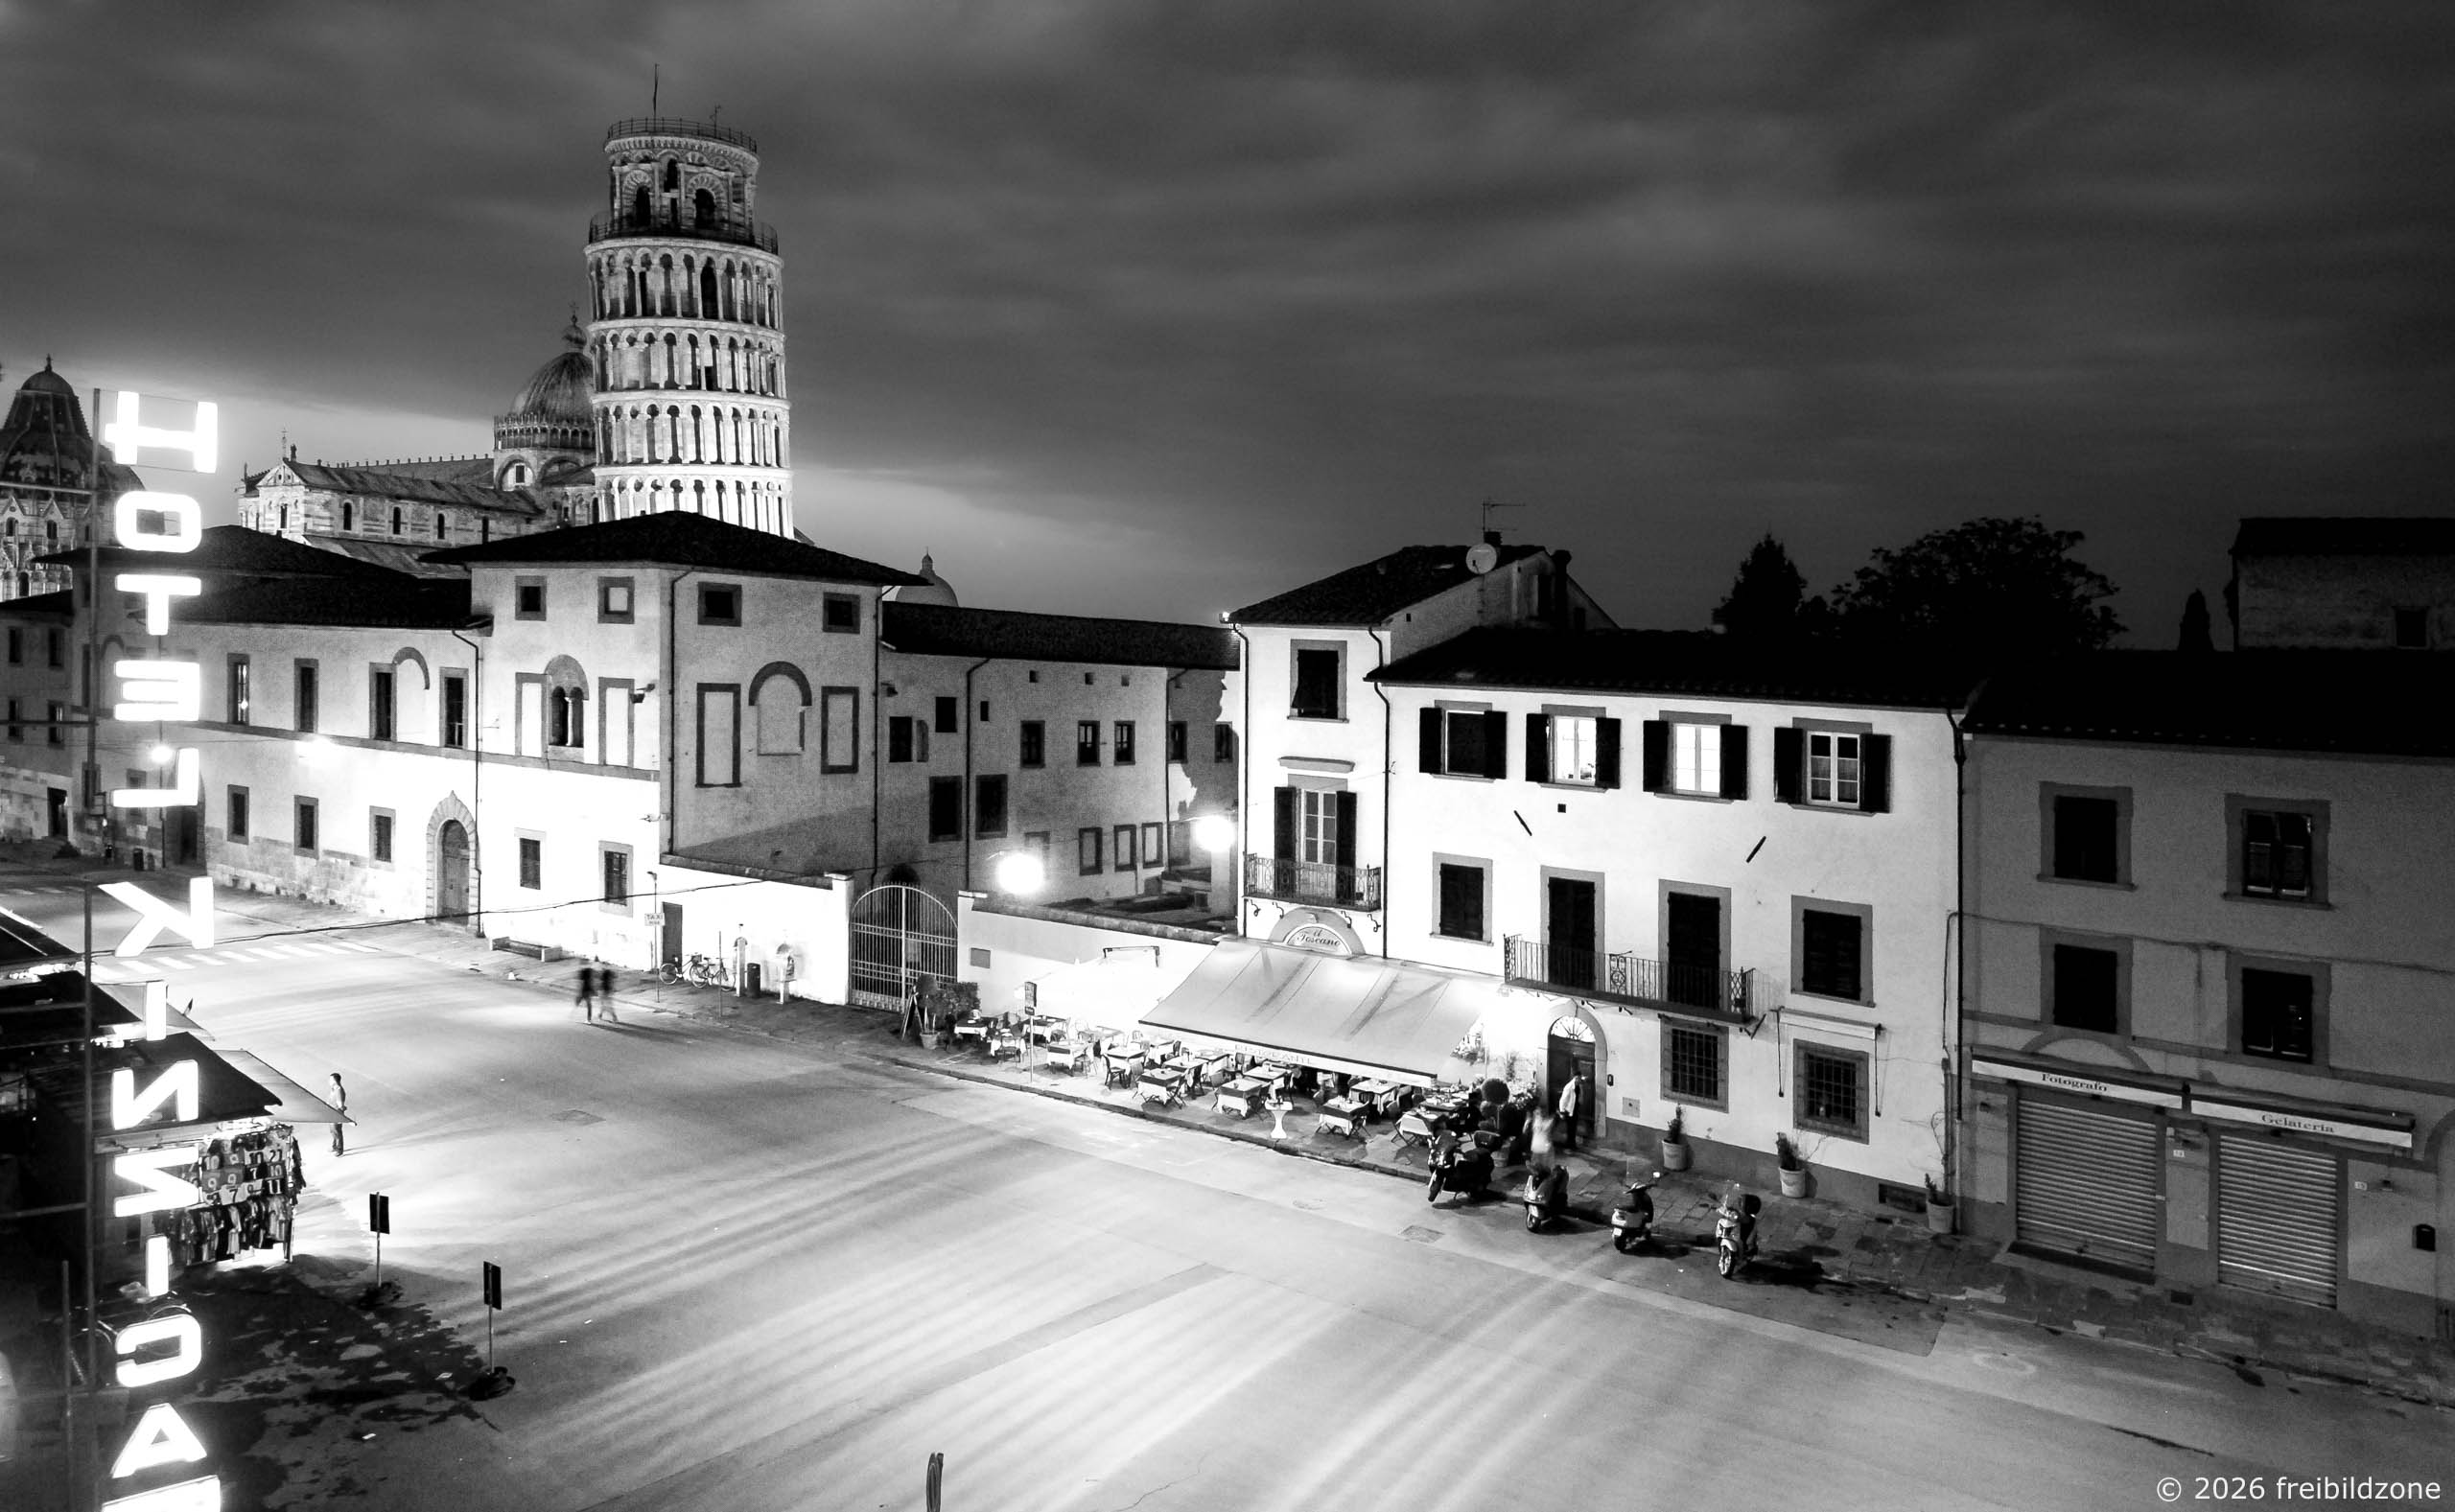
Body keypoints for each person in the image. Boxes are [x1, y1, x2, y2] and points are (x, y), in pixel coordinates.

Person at [1555, 1074, 1581, 1154]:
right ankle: (1568, 1147)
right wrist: (1562, 1111)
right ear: (1575, 1078)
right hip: (1569, 1111)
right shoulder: (1569, 1087)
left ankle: (1573, 1145)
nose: (1580, 1080)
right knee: (1570, 1129)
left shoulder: (1578, 1086)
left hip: (1574, 1110)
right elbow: (1563, 1100)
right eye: (1579, 1079)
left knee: (1573, 1129)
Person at [328, 1073, 347, 1156]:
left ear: (335, 1080)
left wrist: (342, 1109)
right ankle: (334, 1146)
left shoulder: (339, 1091)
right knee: (333, 1131)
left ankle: (339, 1150)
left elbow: (340, 1106)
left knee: (337, 1132)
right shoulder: (334, 1089)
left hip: (336, 1115)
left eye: (330, 1079)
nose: (329, 1081)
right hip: (331, 1114)